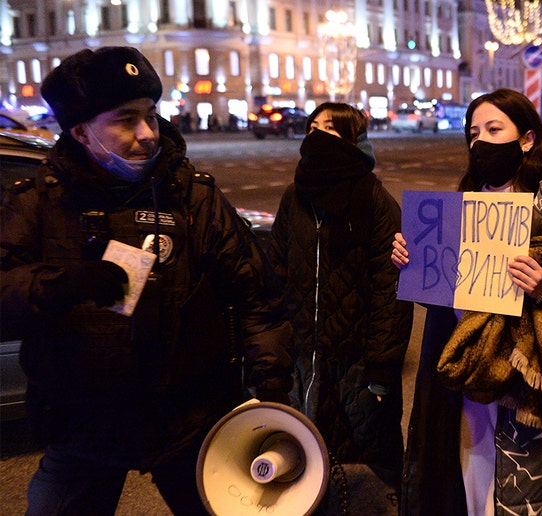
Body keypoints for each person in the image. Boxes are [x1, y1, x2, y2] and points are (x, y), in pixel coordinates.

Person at [0, 46, 294, 515]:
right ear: (80, 131)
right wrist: (60, 285)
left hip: (188, 424)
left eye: (150, 116)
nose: (147, 134)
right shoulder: (38, 201)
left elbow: (256, 296)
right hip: (83, 430)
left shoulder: (192, 196)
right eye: (124, 120)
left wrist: (274, 388)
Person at [391, 88, 542, 515]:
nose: (481, 141)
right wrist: (414, 264)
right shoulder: (466, 203)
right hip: (468, 386)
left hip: (528, 396)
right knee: (470, 495)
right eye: (474, 132)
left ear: (527, 139)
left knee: (519, 503)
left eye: (495, 129)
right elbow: (453, 301)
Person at [265, 102, 413, 501]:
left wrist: (382, 368)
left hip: (357, 364)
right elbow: (275, 271)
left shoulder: (375, 201)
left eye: (328, 129)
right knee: (301, 464)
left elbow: (391, 291)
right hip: (302, 359)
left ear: (352, 139)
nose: (316, 135)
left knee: (365, 470)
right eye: (312, 127)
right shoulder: (293, 197)